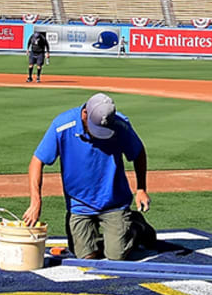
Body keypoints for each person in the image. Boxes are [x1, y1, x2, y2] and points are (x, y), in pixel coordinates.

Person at [24, 92, 155, 260]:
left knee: (116, 256)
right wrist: (36, 201)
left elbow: (138, 152)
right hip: (79, 205)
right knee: (86, 256)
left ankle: (137, 226)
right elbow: (37, 161)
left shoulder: (120, 125)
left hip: (113, 203)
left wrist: (141, 189)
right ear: (85, 114)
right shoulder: (62, 125)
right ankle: (111, 235)